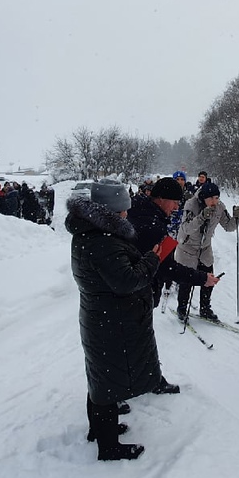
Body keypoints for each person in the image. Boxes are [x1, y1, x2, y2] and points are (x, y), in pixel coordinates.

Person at [65, 179, 161, 461]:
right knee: (106, 384)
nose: (126, 215)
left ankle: (99, 429)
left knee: (100, 376)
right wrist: (152, 261)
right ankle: (109, 447)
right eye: (122, 211)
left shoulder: (89, 232)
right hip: (112, 321)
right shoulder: (102, 241)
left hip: (102, 316)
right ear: (110, 211)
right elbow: (127, 281)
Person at [127, 176, 220, 394]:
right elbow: (167, 268)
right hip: (137, 292)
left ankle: (147, 380)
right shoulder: (150, 225)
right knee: (136, 342)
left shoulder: (143, 213)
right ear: (160, 199)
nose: (177, 207)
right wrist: (202, 278)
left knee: (139, 341)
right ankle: (132, 387)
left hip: (137, 290)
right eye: (174, 202)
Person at [173, 182, 239, 322]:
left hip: (204, 247)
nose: (214, 201)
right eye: (211, 198)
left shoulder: (220, 207)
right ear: (203, 197)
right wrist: (202, 217)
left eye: (217, 198)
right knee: (187, 280)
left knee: (208, 278)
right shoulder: (191, 205)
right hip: (187, 247)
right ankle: (182, 308)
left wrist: (236, 218)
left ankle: (205, 308)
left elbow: (228, 227)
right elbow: (186, 228)